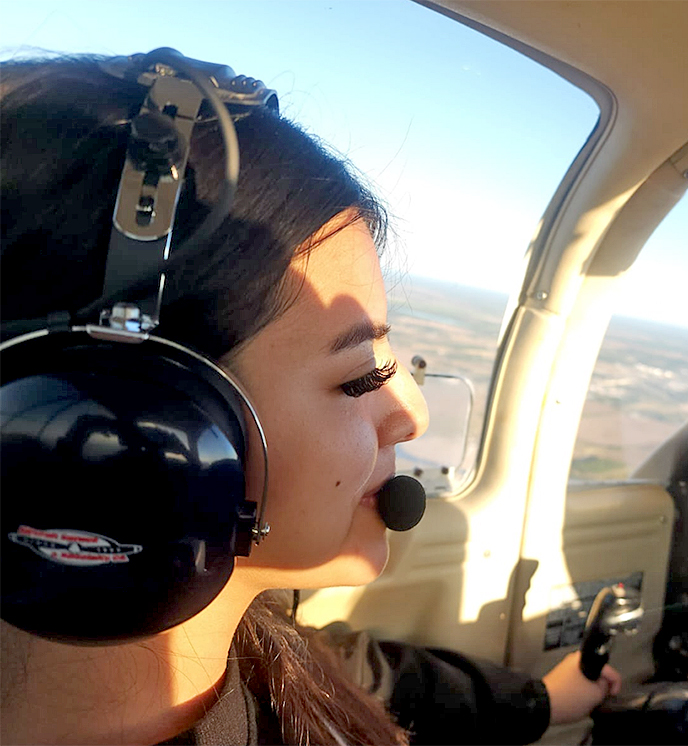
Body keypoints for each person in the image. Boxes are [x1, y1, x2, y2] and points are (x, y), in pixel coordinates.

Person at [0, 53, 621, 745]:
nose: (412, 413)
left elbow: (358, 671)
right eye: (359, 378)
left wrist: (542, 701)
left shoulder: (260, 636)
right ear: (131, 433)